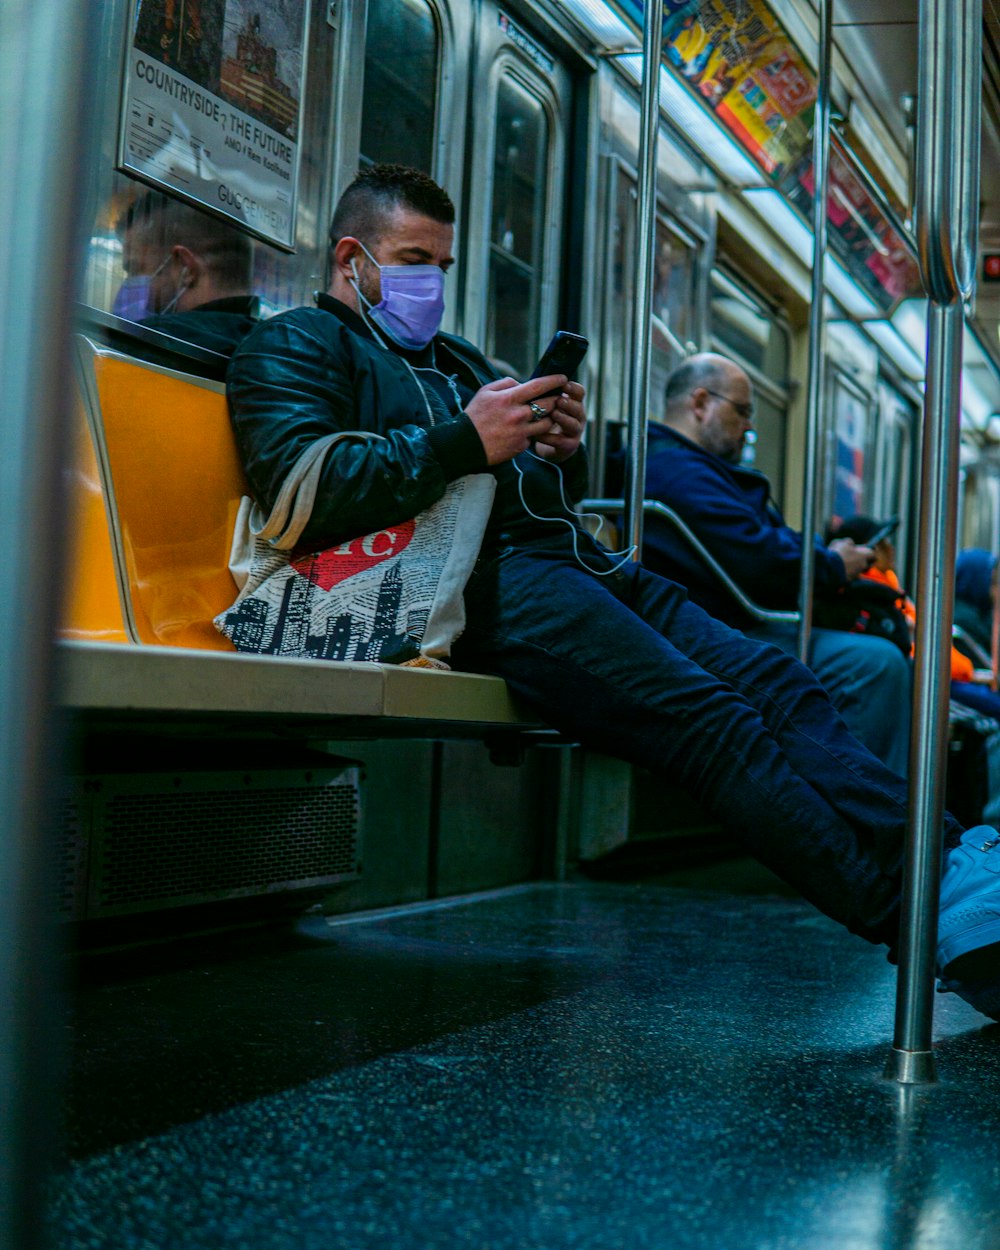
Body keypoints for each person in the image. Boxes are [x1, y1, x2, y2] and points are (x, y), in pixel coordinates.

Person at [226, 163, 1000, 1021]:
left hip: (578, 566)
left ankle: (956, 864)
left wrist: (559, 449)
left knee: (781, 682)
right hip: (475, 588)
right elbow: (301, 493)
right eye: (413, 259)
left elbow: (522, 484)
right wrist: (464, 440)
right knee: (716, 725)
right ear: (351, 258)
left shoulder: (459, 361)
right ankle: (919, 923)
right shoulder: (295, 345)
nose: (430, 284)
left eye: (442, 266)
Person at [631, 353, 912, 776]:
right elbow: (757, 560)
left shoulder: (698, 470)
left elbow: (759, 543)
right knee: (874, 664)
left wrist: (823, 557)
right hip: (719, 628)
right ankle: (863, 818)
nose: (748, 427)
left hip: (736, 617)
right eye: (742, 411)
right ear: (701, 403)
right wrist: (832, 565)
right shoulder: (676, 471)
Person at [113, 190, 261, 356]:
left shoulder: (153, 344)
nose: (127, 283)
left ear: (185, 267)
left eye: (135, 269)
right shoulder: (272, 352)